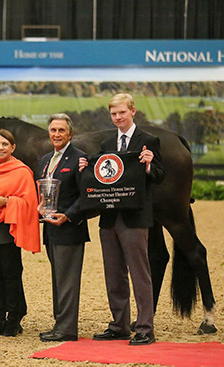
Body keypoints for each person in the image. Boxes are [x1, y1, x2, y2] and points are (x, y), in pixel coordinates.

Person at [79, 93, 164, 346]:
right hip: (109, 217)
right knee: (113, 273)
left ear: (133, 111)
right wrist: (86, 168)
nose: (118, 117)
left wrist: (149, 165)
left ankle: (145, 328)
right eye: (114, 114)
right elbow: (103, 177)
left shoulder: (148, 141)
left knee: (140, 273)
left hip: (135, 217)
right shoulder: (106, 144)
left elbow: (159, 176)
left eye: (122, 113)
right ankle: (119, 325)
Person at [0, 129, 40, 337]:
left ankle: (14, 319)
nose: (0, 148)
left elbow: (30, 202)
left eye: (4, 144)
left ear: (13, 148)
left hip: (8, 228)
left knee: (11, 275)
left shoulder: (22, 171)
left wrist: (8, 201)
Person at [37, 114, 90, 342]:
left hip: (69, 227)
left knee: (67, 280)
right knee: (58, 279)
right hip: (50, 228)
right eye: (53, 130)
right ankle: (60, 323)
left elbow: (85, 195)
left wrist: (68, 216)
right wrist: (40, 206)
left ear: (70, 134)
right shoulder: (46, 160)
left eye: (61, 130)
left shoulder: (79, 159)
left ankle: (67, 329)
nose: (56, 134)